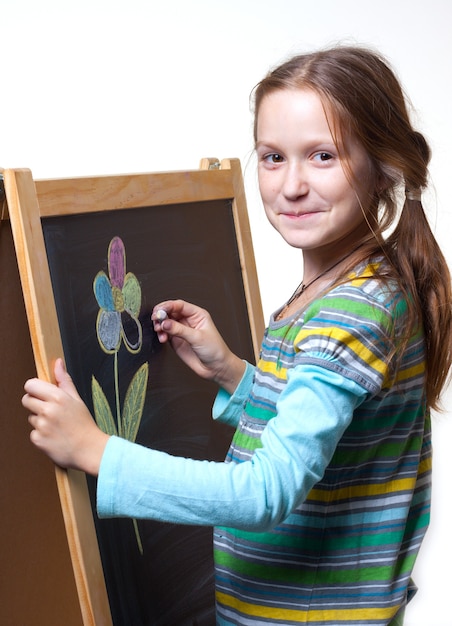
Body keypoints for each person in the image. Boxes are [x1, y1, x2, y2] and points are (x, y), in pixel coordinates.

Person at [22, 46, 451, 626]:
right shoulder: (357, 283)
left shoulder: (351, 311)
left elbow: (266, 491)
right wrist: (235, 375)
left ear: (384, 163)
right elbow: (331, 429)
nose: (292, 184)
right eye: (273, 157)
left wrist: (96, 451)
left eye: (322, 156)